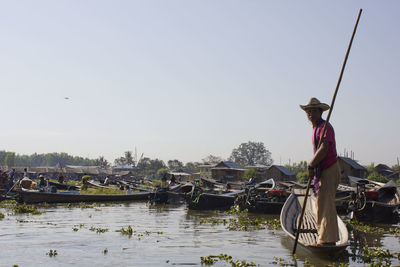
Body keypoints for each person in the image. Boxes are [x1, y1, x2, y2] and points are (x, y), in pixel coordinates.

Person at [300, 97, 341, 247]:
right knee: (321, 202)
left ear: (320, 112)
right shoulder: (316, 128)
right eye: (308, 111)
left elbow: (324, 149)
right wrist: (313, 167)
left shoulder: (325, 127)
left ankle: (327, 240)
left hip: (329, 168)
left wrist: (311, 165)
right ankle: (323, 236)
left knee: (326, 203)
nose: (310, 113)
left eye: (313, 110)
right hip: (322, 169)